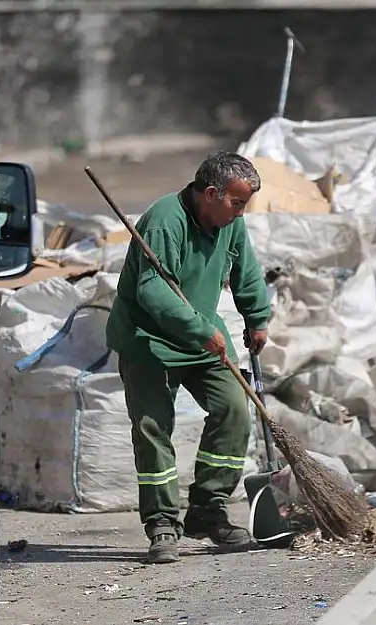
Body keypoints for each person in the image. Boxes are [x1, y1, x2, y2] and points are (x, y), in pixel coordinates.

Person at [105, 152, 271, 564]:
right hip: (149, 339)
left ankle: (207, 511)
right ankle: (162, 523)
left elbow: (245, 271)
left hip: (201, 337)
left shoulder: (230, 222)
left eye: (245, 203)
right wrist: (200, 329)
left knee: (235, 408)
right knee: (152, 428)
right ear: (211, 193)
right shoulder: (165, 221)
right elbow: (153, 291)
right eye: (237, 202)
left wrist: (258, 317)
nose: (241, 211)